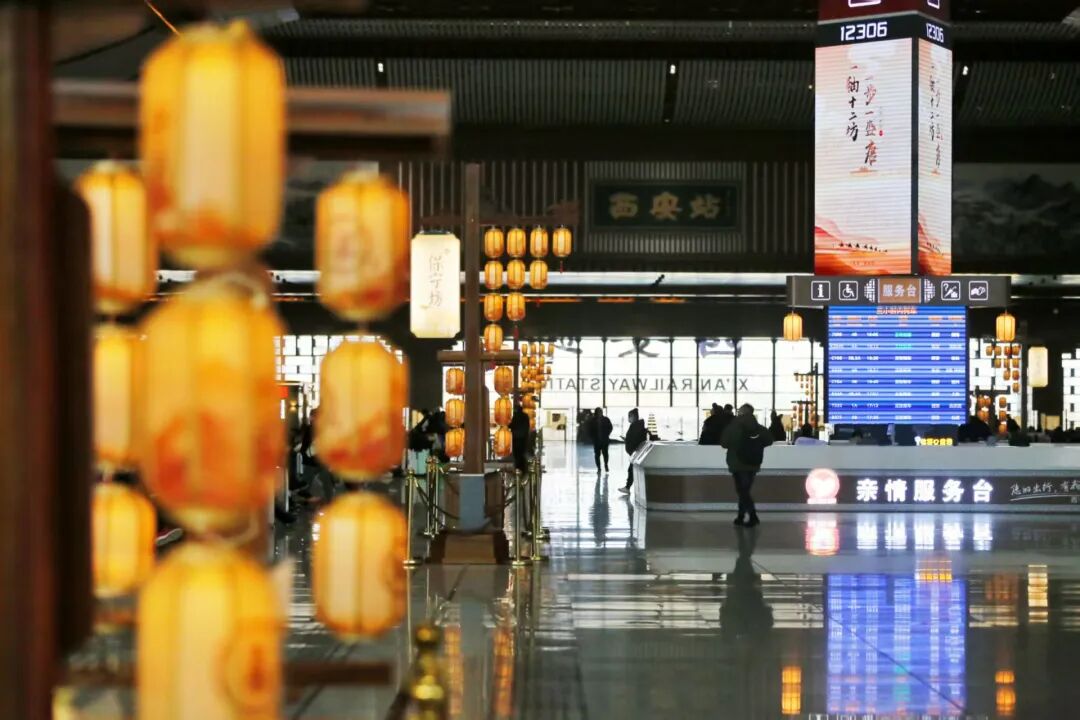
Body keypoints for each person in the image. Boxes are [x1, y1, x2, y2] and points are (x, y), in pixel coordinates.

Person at [721, 404, 774, 527]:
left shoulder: (733, 426)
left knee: (742, 491)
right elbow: (769, 440)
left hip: (737, 463)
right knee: (744, 491)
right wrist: (757, 445)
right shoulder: (758, 427)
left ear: (741, 412)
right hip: (753, 463)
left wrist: (735, 445)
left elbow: (724, 443)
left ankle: (753, 516)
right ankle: (740, 516)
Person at [618, 408, 648, 494]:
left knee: (631, 470)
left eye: (629, 416)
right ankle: (628, 487)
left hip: (636, 452)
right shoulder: (637, 425)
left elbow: (635, 440)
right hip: (636, 452)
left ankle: (627, 487)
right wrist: (627, 439)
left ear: (633, 416)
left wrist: (627, 440)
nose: (628, 418)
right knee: (631, 470)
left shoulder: (635, 426)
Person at [590, 407, 613, 473]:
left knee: (605, 454)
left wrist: (607, 434)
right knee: (597, 455)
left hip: (604, 440)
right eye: (598, 412)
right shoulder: (593, 420)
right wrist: (592, 437)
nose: (600, 413)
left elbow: (610, 427)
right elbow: (590, 429)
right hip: (596, 441)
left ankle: (606, 465)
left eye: (600, 411)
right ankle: (599, 468)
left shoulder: (606, 419)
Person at [510, 403, 531, 474]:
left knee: (517, 454)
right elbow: (527, 427)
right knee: (522, 453)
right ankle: (523, 468)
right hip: (523, 438)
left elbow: (512, 425)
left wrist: (507, 425)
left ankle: (518, 467)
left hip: (516, 438)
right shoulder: (525, 416)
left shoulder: (516, 416)